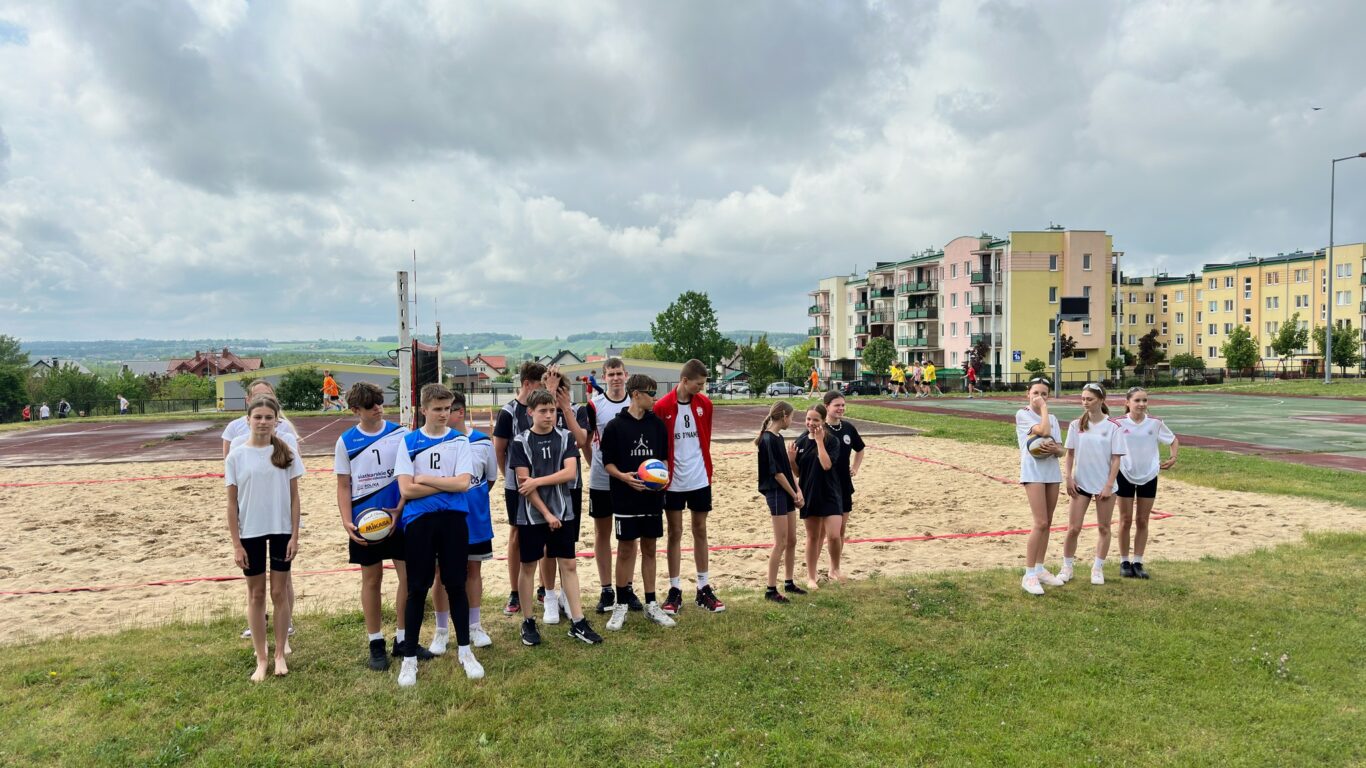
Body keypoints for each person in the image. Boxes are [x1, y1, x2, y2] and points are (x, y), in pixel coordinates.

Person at [394, 383, 483, 687]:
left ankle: (465, 651)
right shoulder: (408, 442)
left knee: (456, 584)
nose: (444, 414)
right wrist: (444, 482)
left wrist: (426, 480)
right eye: (438, 409)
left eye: (448, 409)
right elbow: (406, 489)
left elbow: (463, 485)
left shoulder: (459, 441)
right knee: (417, 588)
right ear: (423, 410)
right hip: (418, 521)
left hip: (453, 520)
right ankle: (408, 659)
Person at [510, 389, 604, 646]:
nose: (549, 415)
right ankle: (528, 622)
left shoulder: (565, 438)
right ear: (530, 412)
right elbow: (523, 485)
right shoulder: (520, 441)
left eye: (552, 410)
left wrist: (538, 481)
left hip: (563, 512)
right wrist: (546, 512)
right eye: (543, 411)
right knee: (528, 566)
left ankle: (578, 622)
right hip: (532, 515)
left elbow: (570, 474)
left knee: (569, 565)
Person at [333, 381, 416, 671]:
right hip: (365, 523)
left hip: (399, 518)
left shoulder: (400, 434)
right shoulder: (346, 441)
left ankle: (404, 639)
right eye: (371, 405)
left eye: (380, 402)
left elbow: (409, 477)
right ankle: (375, 642)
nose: (379, 408)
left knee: (408, 578)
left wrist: (400, 511)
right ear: (356, 409)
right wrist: (346, 521)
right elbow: (344, 485)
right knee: (372, 580)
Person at [224, 395, 303, 682]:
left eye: (268, 417)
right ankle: (262, 658)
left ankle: (280, 653)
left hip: (281, 530)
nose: (262, 422)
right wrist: (236, 543)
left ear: (276, 421)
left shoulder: (286, 453)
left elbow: (295, 499)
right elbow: (232, 504)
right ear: (248, 420)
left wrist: (295, 535)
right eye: (257, 417)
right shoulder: (236, 456)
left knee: (278, 593)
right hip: (250, 533)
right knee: (256, 594)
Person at [600, 373, 676, 631]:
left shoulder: (657, 426)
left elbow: (663, 459)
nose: (655, 398)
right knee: (625, 550)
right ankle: (620, 604)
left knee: (651, 549)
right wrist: (623, 477)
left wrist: (662, 476)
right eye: (650, 393)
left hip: (652, 498)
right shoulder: (615, 426)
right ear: (636, 395)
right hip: (624, 497)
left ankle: (651, 605)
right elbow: (607, 463)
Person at [655, 359, 725, 615]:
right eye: (699, 384)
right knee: (675, 532)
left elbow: (703, 440)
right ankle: (674, 589)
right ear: (684, 381)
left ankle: (703, 587)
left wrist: (706, 471)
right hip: (673, 481)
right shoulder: (662, 406)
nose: (702, 388)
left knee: (700, 530)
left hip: (699, 479)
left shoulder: (705, 404)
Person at [1061, 383, 1127, 586]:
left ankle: (1097, 568)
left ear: (1101, 400)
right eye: (1082, 399)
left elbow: (1116, 459)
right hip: (1081, 483)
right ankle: (1067, 567)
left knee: (1104, 528)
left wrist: (1108, 485)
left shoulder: (1114, 426)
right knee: (1073, 528)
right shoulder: (1076, 425)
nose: (1085, 402)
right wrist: (1069, 477)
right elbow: (1070, 453)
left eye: (1089, 399)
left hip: (1104, 485)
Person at [448, 391, 497, 648]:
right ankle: (442, 629)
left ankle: (474, 625)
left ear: (459, 412)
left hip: (475, 521)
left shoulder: (482, 442)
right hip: (446, 518)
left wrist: (472, 498)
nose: (443, 415)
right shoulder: (438, 442)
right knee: (441, 574)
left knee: (473, 571)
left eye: (448, 410)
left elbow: (489, 479)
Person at [1116, 387, 1179, 579]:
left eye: (1144, 400)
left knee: (1142, 520)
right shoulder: (1117, 424)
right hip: (1124, 473)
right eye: (1137, 400)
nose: (1141, 404)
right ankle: (1124, 561)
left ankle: (1138, 561)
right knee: (1125, 520)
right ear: (1127, 402)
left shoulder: (1155, 424)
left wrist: (1173, 457)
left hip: (1149, 474)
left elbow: (1173, 440)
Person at [586, 358, 632, 614]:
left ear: (626, 375)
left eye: (619, 373)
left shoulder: (634, 402)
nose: (615, 378)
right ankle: (606, 589)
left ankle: (627, 586)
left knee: (628, 536)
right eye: (611, 374)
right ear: (604, 377)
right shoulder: (595, 405)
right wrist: (594, 464)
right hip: (602, 479)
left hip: (629, 478)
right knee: (602, 533)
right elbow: (586, 439)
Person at [1018, 377, 1067, 595]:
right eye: (1036, 393)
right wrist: (1044, 408)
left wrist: (1057, 450)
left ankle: (1039, 568)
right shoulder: (1023, 414)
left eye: (1044, 394)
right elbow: (1044, 432)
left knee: (1048, 523)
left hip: (1051, 472)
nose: (1040, 397)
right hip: (1033, 473)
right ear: (1028, 394)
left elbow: (1060, 448)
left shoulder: (1053, 418)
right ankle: (1028, 574)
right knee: (1039, 522)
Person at [790, 404, 842, 590]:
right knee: (813, 537)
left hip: (830, 492)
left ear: (823, 421)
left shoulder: (832, 441)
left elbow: (827, 465)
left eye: (815, 420)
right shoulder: (801, 441)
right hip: (810, 493)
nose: (811, 423)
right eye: (808, 419)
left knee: (834, 536)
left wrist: (819, 442)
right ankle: (811, 577)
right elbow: (797, 472)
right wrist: (791, 460)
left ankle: (834, 569)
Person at [756, 401, 802, 602]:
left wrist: (798, 490)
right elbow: (776, 474)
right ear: (784, 416)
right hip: (776, 492)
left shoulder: (778, 437)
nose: (792, 420)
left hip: (786, 491)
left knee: (792, 540)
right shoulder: (767, 439)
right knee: (781, 542)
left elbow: (787, 470)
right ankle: (770, 589)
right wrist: (793, 493)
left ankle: (789, 582)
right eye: (791, 416)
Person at [823, 392, 865, 542]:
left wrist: (855, 468)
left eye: (843, 405)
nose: (841, 408)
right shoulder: (821, 428)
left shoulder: (848, 428)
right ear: (826, 407)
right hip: (825, 484)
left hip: (844, 483)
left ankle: (835, 565)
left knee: (840, 530)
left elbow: (860, 449)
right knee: (823, 533)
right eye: (837, 405)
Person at [223, 380, 299, 457]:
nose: (263, 398)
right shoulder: (234, 428)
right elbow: (228, 461)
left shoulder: (286, 428)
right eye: (257, 396)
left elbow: (296, 460)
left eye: (268, 395)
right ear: (248, 399)